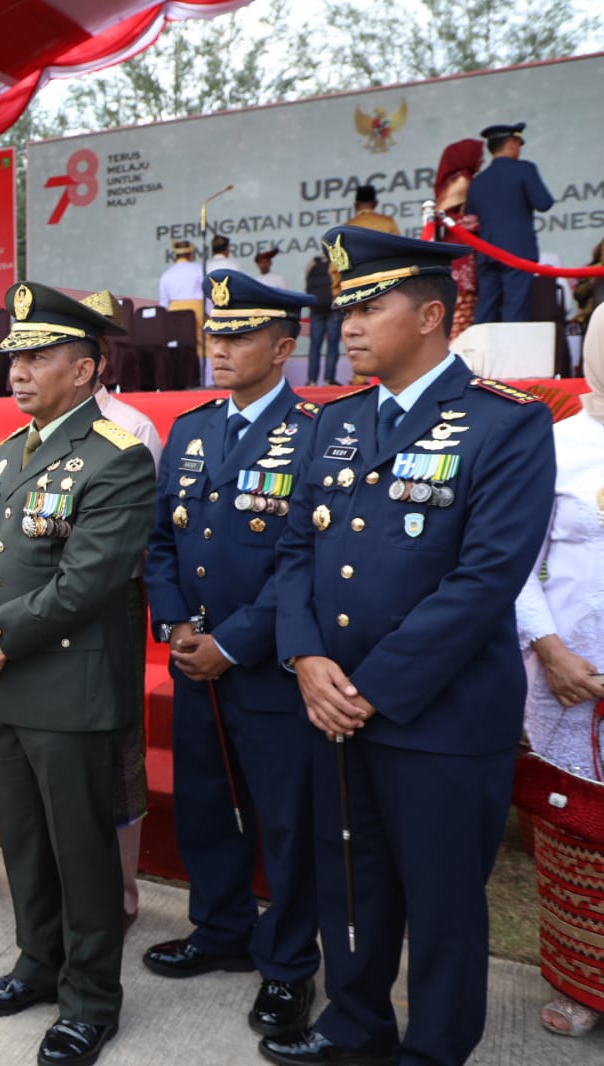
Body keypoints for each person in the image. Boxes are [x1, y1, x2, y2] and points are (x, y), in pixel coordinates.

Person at [267, 226, 557, 1066]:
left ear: (431, 314)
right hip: (331, 700)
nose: (347, 324)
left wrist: (365, 687)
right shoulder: (336, 420)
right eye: (342, 307)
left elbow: (484, 579)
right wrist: (306, 659)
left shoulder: (505, 424)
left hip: (440, 714)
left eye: (368, 305)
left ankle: (432, 1050)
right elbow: (296, 550)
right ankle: (353, 1025)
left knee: (440, 902)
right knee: (349, 879)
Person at [0, 283, 154, 1066]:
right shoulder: (7, 453)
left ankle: (91, 999)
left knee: (82, 854)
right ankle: (37, 964)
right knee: (26, 843)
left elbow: (90, 579)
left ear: (87, 367)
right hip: (3, 679)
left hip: (70, 687)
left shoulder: (117, 456)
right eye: (15, 358)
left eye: (37, 358)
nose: (18, 372)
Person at [142, 270, 323, 1047]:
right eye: (213, 334)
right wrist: (177, 622)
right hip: (193, 661)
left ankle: (286, 964)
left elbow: (303, 556)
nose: (218, 347)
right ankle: (217, 930)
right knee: (207, 807)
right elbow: (160, 539)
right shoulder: (190, 428)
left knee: (286, 822)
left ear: (282, 348)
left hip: (270, 667)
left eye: (239, 335)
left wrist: (232, 643)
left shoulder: (316, 433)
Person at [513, 307, 604, 1040]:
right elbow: (515, 565)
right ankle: (581, 984)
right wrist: (550, 650)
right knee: (576, 835)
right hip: (569, 680)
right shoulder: (556, 445)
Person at [94, 377, 161, 933]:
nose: (22, 370)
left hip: (112, 603)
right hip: (43, 616)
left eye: (40, 356)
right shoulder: (26, 437)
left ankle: (122, 893)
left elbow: (148, 535)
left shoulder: (132, 428)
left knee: (119, 751)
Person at [467, 121, 554, 324]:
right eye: (518, 144)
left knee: (486, 305)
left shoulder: (478, 181)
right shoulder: (525, 169)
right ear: (511, 144)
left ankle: (482, 354)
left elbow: (471, 217)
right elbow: (544, 203)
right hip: (517, 250)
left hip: (486, 251)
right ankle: (512, 353)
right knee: (516, 304)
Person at [432, 139, 485, 339]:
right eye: (478, 155)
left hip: (455, 252)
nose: (481, 160)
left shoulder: (455, 180)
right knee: (461, 313)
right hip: (460, 251)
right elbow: (445, 218)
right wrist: (483, 223)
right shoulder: (462, 180)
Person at [304, 251, 343, 385]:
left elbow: (307, 284)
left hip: (316, 309)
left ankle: (311, 380)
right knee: (332, 346)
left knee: (315, 346)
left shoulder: (312, 263)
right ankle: (329, 379)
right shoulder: (337, 262)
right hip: (333, 309)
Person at [159, 240, 204, 310]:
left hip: (174, 315)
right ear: (191, 255)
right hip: (197, 314)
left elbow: (164, 304)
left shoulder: (166, 275)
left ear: (175, 256)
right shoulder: (199, 269)